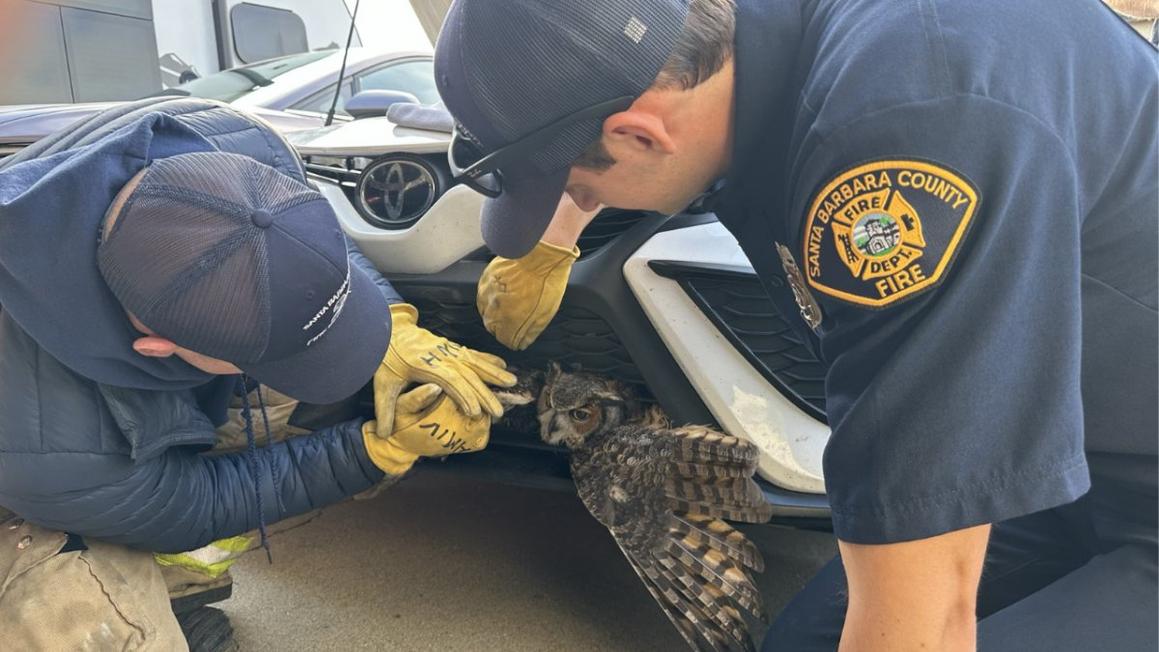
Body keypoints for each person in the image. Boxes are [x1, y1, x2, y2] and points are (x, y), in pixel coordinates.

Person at [435, 0, 1158, 649]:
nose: (582, 202)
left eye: (579, 188)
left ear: (641, 132)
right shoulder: (755, 50)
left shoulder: (903, 133)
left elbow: (927, 611)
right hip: (1067, 459)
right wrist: (558, 234)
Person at [0, 101, 514, 649]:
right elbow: (185, 506)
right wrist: (371, 452)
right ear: (157, 346)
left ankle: (181, 594)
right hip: (23, 477)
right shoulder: (53, 444)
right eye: (273, 354)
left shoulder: (228, 140)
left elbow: (305, 241)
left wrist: (393, 325)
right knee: (78, 612)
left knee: (255, 391)